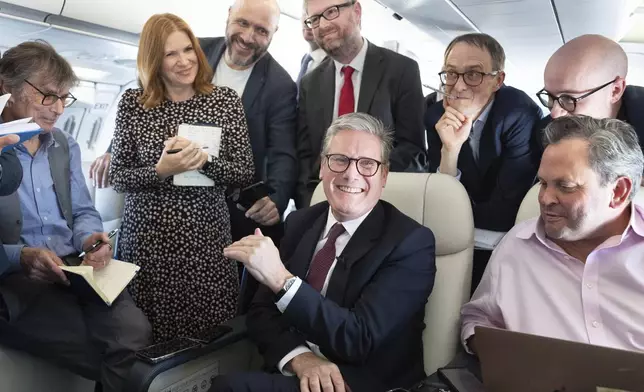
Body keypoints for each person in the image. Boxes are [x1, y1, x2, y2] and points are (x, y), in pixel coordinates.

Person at [211, 113, 437, 392]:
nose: (351, 173)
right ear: (322, 167)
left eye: (367, 164)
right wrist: (299, 358)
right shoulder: (300, 222)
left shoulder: (411, 242)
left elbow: (359, 338)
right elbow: (261, 312)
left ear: (384, 175)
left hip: (362, 381)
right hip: (297, 371)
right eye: (340, 159)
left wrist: (283, 280)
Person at [0, 40, 151, 392]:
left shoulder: (65, 145)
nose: (57, 109)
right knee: (104, 349)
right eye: (47, 96)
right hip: (17, 280)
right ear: (8, 87)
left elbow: (82, 210)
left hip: (76, 268)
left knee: (137, 333)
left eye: (64, 98)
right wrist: (19, 257)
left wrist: (90, 237)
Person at [109, 14, 255, 342]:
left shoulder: (225, 101)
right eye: (170, 54)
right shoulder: (133, 105)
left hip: (205, 243)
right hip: (147, 245)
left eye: (188, 49)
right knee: (144, 340)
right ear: (153, 61)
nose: (184, 60)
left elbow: (244, 172)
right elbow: (117, 177)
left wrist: (205, 162)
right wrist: (161, 172)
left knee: (206, 342)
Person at [461, 115, 644, 355]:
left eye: (565, 186)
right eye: (543, 183)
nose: (546, 199)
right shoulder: (517, 245)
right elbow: (479, 319)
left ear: (618, 191)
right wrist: (506, 360)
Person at [295, 0, 428, 209]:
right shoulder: (310, 84)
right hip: (323, 206)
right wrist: (309, 206)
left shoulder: (402, 71)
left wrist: (362, 177)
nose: (322, 24)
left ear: (356, 11)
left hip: (382, 204)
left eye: (331, 12)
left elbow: (414, 152)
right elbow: (306, 157)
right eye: (314, 19)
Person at [425, 33, 542, 232]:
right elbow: (440, 199)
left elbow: (507, 206)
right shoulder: (436, 115)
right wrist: (450, 151)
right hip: (460, 227)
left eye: (473, 75)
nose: (459, 86)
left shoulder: (519, 114)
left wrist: (452, 214)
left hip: (506, 232)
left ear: (498, 80)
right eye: (451, 73)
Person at [532, 34, 644, 164]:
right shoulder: (546, 132)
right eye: (550, 96)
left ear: (615, 91)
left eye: (568, 98)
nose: (555, 114)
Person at [295, 9, 327, 91]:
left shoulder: (332, 64)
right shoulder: (305, 59)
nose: (307, 19)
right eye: (305, 13)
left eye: (315, 16)